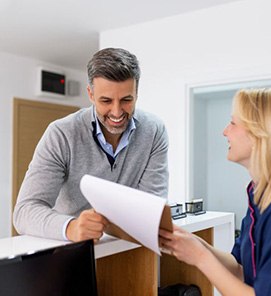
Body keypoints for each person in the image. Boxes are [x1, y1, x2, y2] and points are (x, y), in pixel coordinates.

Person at [159, 88, 271, 295]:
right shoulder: (259, 197)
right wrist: (195, 243)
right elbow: (240, 268)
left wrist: (200, 258)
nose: (225, 131)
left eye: (233, 123)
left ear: (261, 133)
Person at [13, 47, 169, 242]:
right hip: (72, 251)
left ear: (136, 93)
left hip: (127, 248)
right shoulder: (61, 134)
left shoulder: (154, 130)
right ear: (91, 94)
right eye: (106, 100)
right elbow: (24, 212)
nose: (117, 112)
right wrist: (70, 227)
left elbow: (152, 205)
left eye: (126, 100)